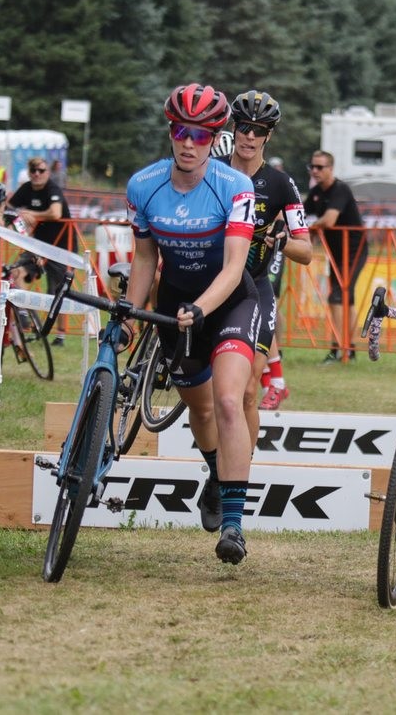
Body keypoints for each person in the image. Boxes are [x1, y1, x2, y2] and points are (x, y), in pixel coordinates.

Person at [122, 83, 260, 565]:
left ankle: (234, 525)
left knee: (228, 400)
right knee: (200, 412)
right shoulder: (144, 185)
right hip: (175, 308)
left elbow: (234, 266)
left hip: (228, 303)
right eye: (181, 131)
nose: (188, 142)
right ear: (170, 130)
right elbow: (144, 257)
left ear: (214, 139)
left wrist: (203, 307)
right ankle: (216, 474)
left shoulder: (234, 188)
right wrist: (131, 313)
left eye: (201, 135)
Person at [219, 89, 311, 414]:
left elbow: (306, 249)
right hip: (211, 283)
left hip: (254, 289)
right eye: (244, 126)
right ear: (234, 128)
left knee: (246, 391)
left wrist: (282, 241)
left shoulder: (280, 184)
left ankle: (242, 463)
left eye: (258, 130)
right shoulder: (211, 170)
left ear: (268, 136)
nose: (249, 136)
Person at [304, 150, 367, 363]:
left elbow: (329, 220)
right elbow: (299, 213)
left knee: (338, 297)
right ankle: (348, 349)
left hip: (354, 250)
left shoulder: (340, 189)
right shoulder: (316, 192)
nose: (315, 170)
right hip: (336, 253)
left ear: (330, 169)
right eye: (312, 166)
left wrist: (309, 228)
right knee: (345, 299)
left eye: (320, 167)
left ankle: (338, 348)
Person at [8, 156, 75, 344]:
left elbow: (55, 213)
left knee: (58, 289)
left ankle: (60, 334)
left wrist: (30, 214)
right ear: (29, 173)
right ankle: (25, 314)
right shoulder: (26, 189)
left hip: (61, 245)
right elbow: (9, 208)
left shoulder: (52, 188)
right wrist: (18, 216)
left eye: (41, 170)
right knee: (15, 272)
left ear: (48, 172)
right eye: (34, 171)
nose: (37, 174)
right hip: (36, 246)